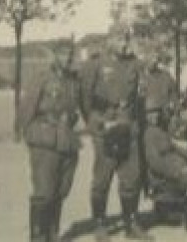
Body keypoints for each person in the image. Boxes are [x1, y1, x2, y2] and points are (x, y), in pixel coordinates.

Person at [81, 33, 153, 242]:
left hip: (128, 125)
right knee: (103, 178)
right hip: (105, 124)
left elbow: (141, 95)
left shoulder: (136, 65)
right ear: (110, 41)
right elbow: (85, 98)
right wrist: (96, 121)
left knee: (131, 177)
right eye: (120, 39)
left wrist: (135, 123)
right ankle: (100, 225)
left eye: (126, 39)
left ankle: (131, 223)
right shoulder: (96, 64)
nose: (124, 43)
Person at [16, 48, 81, 242]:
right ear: (53, 57)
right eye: (62, 55)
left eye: (69, 55)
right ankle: (38, 236)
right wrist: (30, 135)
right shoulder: (42, 78)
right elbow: (26, 109)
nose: (67, 58)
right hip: (45, 140)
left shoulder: (73, 81)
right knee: (44, 191)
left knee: (61, 190)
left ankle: (53, 234)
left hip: (67, 139)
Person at [144, 106, 187, 231]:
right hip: (166, 176)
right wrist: (177, 172)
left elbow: (175, 148)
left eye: (156, 113)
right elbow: (154, 162)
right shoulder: (149, 134)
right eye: (150, 114)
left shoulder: (160, 131)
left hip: (178, 170)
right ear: (145, 116)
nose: (155, 117)